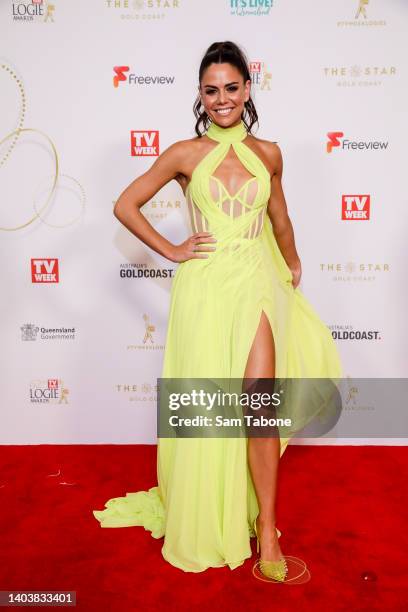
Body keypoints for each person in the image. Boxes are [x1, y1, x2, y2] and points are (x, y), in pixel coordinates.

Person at [93, 41, 342, 579]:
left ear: (248, 89)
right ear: (200, 95)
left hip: (254, 281)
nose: (222, 99)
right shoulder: (186, 153)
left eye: (232, 88)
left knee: (258, 407)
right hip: (205, 289)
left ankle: (268, 531)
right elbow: (124, 204)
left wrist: (293, 264)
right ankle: (209, 516)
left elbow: (280, 218)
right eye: (212, 90)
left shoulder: (269, 153)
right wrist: (174, 250)